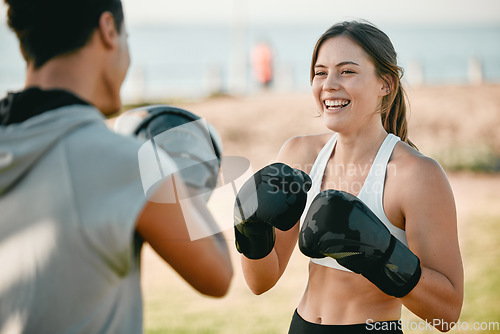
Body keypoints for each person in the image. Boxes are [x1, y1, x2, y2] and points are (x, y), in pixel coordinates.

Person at [0, 0, 232, 333]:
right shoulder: (127, 162)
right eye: (127, 36)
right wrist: (184, 176)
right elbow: (217, 274)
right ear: (109, 30)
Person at [233, 21, 463, 333]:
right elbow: (261, 281)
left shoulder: (417, 176)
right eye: (320, 72)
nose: (329, 84)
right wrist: (251, 230)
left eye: (347, 71)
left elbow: (446, 313)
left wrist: (380, 255)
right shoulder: (299, 156)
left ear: (386, 83)